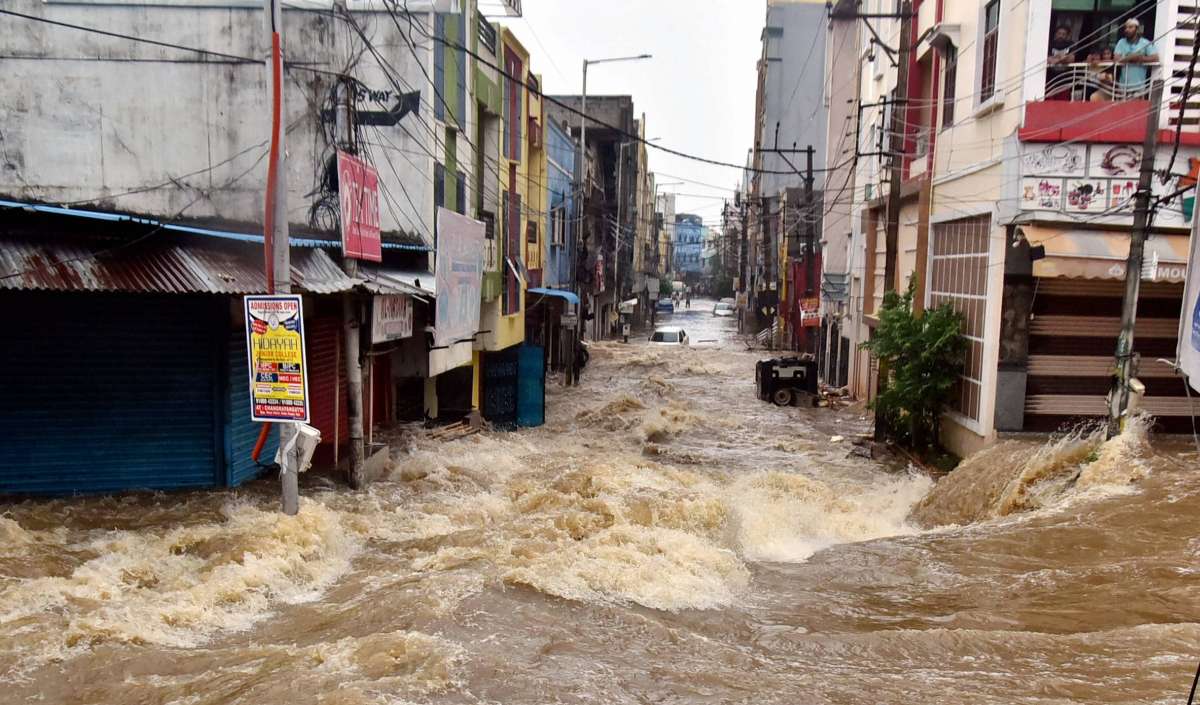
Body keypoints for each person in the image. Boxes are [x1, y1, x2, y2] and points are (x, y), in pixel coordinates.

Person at [1114, 18, 1157, 97]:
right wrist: (1131, 57)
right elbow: (1116, 58)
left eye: (1130, 27)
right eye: (1126, 28)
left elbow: (1155, 57)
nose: (1127, 30)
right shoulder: (1121, 42)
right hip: (1123, 86)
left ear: (1137, 29)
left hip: (1139, 85)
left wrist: (1141, 58)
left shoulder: (1145, 42)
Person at [1046, 25, 1076, 99]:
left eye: (1063, 34)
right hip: (1050, 79)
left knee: (1062, 101)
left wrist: (1056, 59)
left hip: (1064, 79)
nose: (1061, 36)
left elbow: (1071, 59)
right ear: (1056, 34)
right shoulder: (1049, 44)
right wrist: (1063, 57)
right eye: (1059, 33)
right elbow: (1048, 59)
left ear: (1067, 35)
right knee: (1049, 102)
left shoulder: (1071, 44)